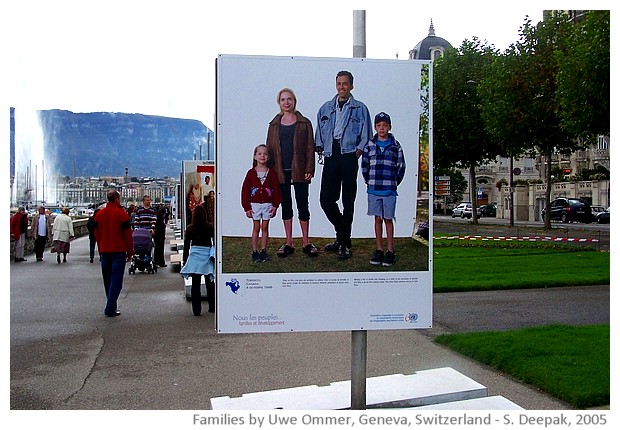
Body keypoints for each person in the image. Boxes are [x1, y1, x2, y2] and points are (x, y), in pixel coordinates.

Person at [315, 70, 372, 259]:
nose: (341, 87)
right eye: (339, 83)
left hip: (348, 156)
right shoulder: (325, 108)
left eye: (345, 84)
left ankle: (343, 243)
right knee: (326, 200)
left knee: (348, 201)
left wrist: (358, 150)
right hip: (332, 156)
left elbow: (366, 134)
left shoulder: (360, 108)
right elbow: (319, 133)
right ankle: (343, 237)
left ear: (351, 86)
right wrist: (320, 147)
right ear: (336, 85)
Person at [266, 88, 318, 258]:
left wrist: (309, 169)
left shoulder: (304, 123)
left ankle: (306, 242)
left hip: (300, 172)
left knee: (303, 205)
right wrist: (269, 172)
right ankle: (288, 242)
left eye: (289, 99)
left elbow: (310, 148)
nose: (286, 102)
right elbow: (269, 150)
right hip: (280, 172)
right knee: (286, 206)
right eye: (283, 99)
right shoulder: (274, 125)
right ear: (279, 102)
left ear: (294, 101)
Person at [361, 112, 406, 267]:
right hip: (373, 189)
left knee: (388, 219)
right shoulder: (369, 145)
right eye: (379, 126)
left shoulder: (395, 146)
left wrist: (393, 183)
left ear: (389, 127)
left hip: (389, 190)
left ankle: (390, 251)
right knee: (377, 219)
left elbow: (401, 167)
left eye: (385, 125)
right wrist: (369, 182)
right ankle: (379, 249)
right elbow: (365, 166)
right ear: (375, 127)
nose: (382, 128)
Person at [94, 189, 134, 317]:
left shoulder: (99, 214)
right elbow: (128, 235)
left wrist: (100, 245)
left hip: (104, 251)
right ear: (117, 199)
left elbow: (96, 233)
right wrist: (130, 251)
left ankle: (112, 304)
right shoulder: (122, 214)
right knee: (116, 280)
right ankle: (110, 307)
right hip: (118, 250)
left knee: (107, 279)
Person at [241, 144, 282, 263]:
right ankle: (255, 251)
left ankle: (264, 251)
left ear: (268, 157)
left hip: (268, 205)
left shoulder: (272, 173)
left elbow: (276, 191)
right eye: (259, 153)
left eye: (265, 154)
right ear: (255, 156)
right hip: (254, 205)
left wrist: (275, 205)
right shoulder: (251, 173)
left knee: (265, 227)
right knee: (256, 227)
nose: (262, 156)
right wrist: (246, 207)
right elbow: (245, 191)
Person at [180, 205, 215, 316]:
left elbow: (186, 246)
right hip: (206, 255)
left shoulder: (190, 228)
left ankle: (196, 310)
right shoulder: (210, 227)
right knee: (210, 283)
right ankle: (212, 307)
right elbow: (215, 242)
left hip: (195, 256)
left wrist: (185, 261)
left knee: (195, 284)